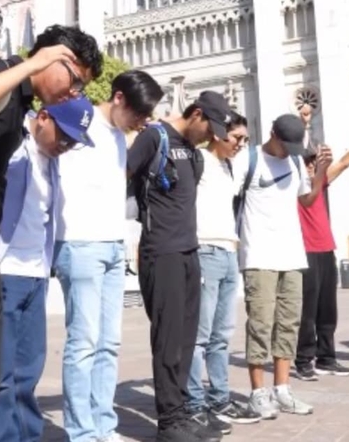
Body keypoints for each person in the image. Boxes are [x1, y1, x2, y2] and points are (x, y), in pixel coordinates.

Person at [0, 24, 102, 441]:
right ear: (55, 58)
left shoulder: (19, 102)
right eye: (75, 80)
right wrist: (27, 64)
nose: (75, 93)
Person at [53, 70, 164, 442]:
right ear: (118, 98)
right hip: (80, 243)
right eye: (139, 113)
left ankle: (104, 424)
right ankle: (81, 431)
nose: (142, 122)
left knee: (108, 342)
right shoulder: (77, 120)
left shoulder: (119, 135)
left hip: (113, 245)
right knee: (83, 342)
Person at [127, 91, 232, 442]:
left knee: (188, 340)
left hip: (190, 253)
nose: (210, 137)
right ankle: (169, 423)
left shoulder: (193, 152)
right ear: (196, 113)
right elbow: (121, 178)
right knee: (169, 340)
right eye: (210, 128)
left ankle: (184, 412)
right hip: (161, 253)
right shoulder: (152, 138)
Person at [0, 98, 95, 442]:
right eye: (63, 137)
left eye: (73, 142)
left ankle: (28, 436)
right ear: (43, 118)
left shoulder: (51, 160)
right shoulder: (13, 145)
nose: (65, 146)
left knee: (29, 370)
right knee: (1, 374)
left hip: (36, 274)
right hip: (4, 271)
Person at [234, 114, 329, 419]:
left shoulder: (297, 162)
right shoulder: (247, 162)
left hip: (292, 256)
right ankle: (258, 393)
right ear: (272, 134)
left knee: (289, 324)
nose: (288, 151)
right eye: (285, 144)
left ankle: (283, 390)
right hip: (259, 256)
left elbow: (307, 200)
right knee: (260, 324)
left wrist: (321, 173)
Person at [186, 110, 261, 433]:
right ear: (218, 133)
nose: (241, 144)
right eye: (236, 137)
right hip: (205, 249)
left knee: (222, 335)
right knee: (199, 336)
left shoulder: (229, 166)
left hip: (229, 251)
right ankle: (193, 404)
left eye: (245, 138)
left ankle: (219, 398)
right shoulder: (198, 159)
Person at [294, 122, 349, 381]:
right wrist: (319, 172)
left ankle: (327, 357)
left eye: (314, 161)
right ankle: (304, 359)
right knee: (308, 311)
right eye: (307, 161)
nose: (312, 165)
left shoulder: (320, 179)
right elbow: (310, 197)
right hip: (305, 252)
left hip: (326, 250)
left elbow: (345, 164)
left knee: (328, 309)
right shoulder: (296, 185)